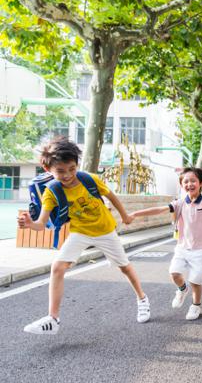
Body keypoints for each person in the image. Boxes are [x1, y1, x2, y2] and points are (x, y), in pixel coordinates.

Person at [18, 137, 150, 335]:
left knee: (124, 267)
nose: (68, 175)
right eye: (60, 171)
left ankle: (142, 298)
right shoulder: (52, 192)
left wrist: (125, 216)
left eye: (72, 168)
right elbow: (41, 224)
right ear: (48, 170)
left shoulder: (89, 179)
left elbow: (111, 196)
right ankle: (53, 319)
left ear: (76, 164)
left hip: (106, 231)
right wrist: (30, 224)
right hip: (80, 232)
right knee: (57, 267)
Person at [129, 167, 202, 320]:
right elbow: (159, 210)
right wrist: (135, 214)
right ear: (182, 185)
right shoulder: (179, 203)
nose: (189, 184)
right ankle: (182, 289)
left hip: (201, 249)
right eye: (185, 181)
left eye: (193, 181)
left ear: (201, 183)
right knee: (174, 273)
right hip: (182, 247)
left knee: (195, 280)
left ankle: (196, 306)